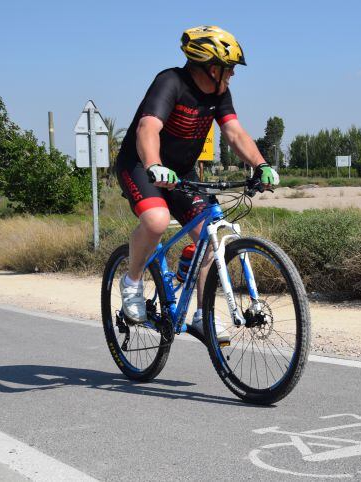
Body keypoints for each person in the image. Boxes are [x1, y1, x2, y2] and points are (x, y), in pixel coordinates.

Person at [115, 26, 278, 341]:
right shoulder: (171, 82)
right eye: (229, 68)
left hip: (182, 172)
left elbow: (234, 133)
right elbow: (148, 128)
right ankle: (132, 283)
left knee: (210, 237)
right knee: (157, 220)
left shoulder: (219, 94)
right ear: (211, 67)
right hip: (141, 163)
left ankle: (203, 314)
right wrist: (154, 165)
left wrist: (261, 163)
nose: (232, 74)